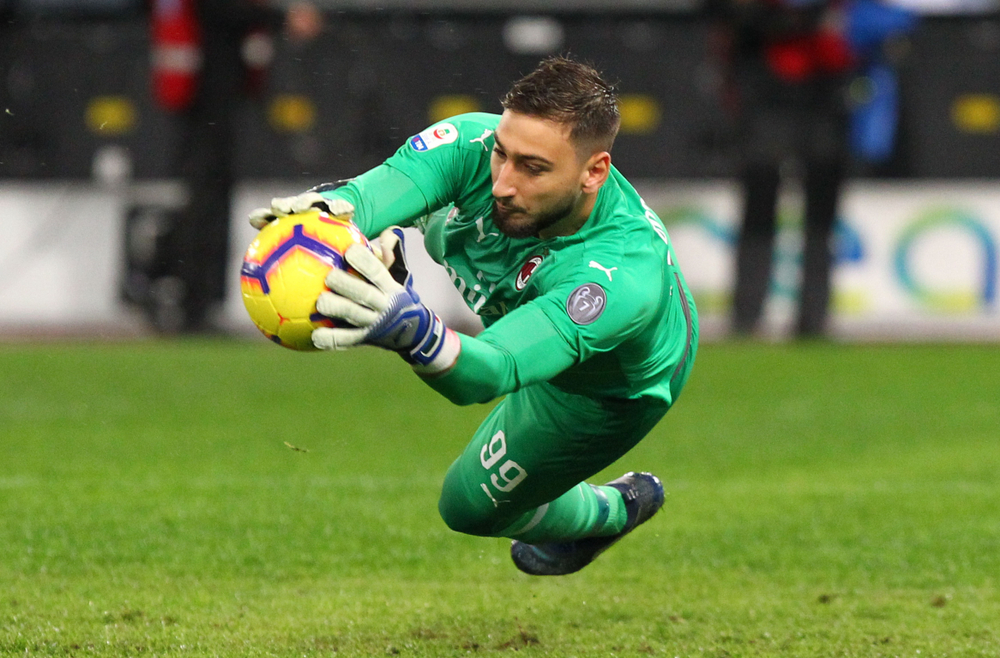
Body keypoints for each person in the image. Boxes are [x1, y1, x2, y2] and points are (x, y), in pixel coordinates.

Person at [249, 58, 698, 576]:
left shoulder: (617, 277)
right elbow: (366, 199)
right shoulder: (469, 146)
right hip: (531, 325)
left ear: (594, 171)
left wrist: (409, 328)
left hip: (603, 388)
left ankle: (616, 509)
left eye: (533, 168)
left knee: (466, 507)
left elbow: (490, 371)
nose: (503, 183)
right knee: (463, 509)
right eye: (502, 154)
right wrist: (323, 216)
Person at [148, 0, 322, 332]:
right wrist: (282, 17)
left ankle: (197, 299)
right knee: (205, 197)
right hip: (207, 93)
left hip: (215, 92)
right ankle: (188, 299)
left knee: (210, 195)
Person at [712, 0, 855, 338]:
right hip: (765, 96)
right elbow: (731, 15)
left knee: (821, 214)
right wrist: (801, 21)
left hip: (823, 97)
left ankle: (814, 319)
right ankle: (747, 315)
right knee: (759, 204)